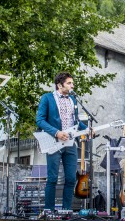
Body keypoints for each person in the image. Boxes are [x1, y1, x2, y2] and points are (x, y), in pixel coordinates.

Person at [36, 72, 87, 210]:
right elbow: (40, 120)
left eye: (72, 83)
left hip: (70, 144)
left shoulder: (73, 100)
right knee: (52, 178)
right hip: (54, 142)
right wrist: (57, 133)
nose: (72, 85)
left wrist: (88, 129)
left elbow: (76, 122)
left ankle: (66, 211)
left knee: (71, 179)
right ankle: (49, 211)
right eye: (69, 83)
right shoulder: (47, 98)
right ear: (59, 85)